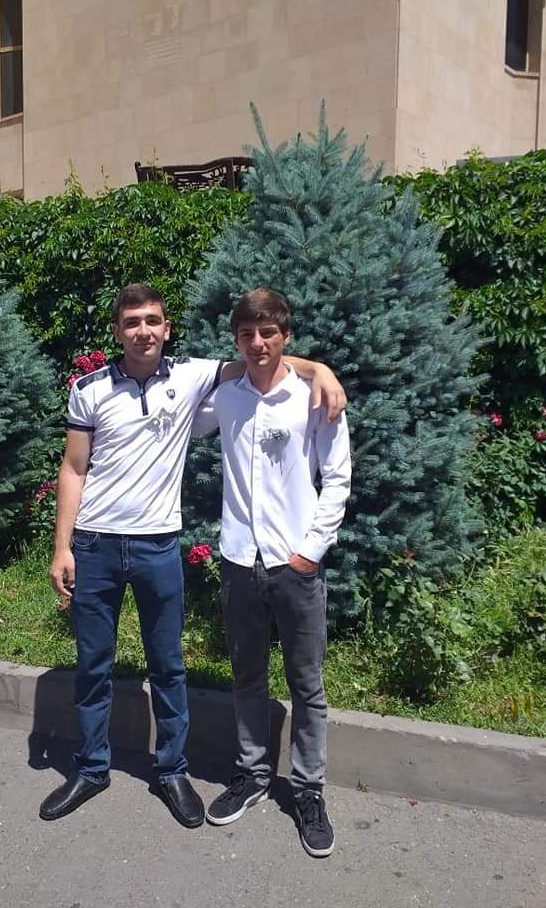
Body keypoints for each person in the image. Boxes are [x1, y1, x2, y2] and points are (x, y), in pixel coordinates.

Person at [39, 283, 347, 829]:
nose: (143, 331)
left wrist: (319, 368)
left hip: (160, 544)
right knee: (93, 664)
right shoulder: (91, 389)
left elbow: (260, 357)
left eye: (152, 320)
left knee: (170, 666)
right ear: (117, 330)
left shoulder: (192, 376)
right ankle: (91, 768)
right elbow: (73, 467)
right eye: (132, 322)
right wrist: (62, 546)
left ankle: (173, 771)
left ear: (167, 327)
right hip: (97, 543)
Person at [193, 287, 351, 856]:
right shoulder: (225, 399)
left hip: (295, 564)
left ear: (285, 335)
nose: (257, 343)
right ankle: (253, 776)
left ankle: (308, 791)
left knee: (307, 684)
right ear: (236, 339)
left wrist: (311, 550)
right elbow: (178, 408)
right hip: (240, 560)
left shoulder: (313, 397)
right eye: (247, 334)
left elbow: (337, 477)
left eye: (268, 333)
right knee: (247, 676)